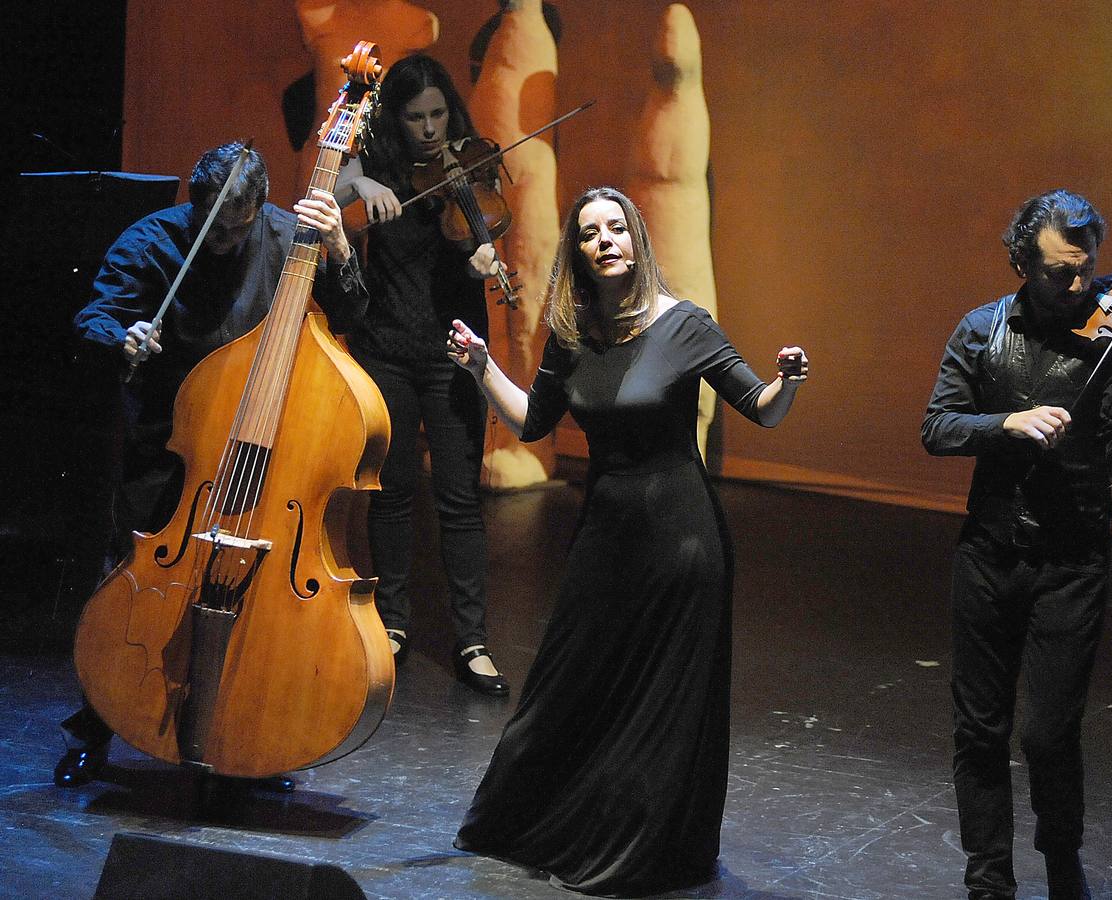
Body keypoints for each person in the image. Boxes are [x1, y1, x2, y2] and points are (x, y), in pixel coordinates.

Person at [447, 186, 808, 895]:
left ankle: (646, 845)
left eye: (617, 227)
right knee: (568, 687)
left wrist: (787, 382)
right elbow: (533, 422)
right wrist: (482, 366)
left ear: (637, 239)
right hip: (605, 537)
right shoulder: (573, 335)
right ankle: (544, 820)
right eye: (590, 232)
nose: (606, 239)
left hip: (682, 543)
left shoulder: (686, 325)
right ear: (577, 252)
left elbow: (759, 409)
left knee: (662, 704)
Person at [921, 189, 1112, 900]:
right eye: (1060, 272)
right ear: (1023, 261)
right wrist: (1006, 425)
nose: (1080, 288)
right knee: (980, 730)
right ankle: (988, 879)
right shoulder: (982, 328)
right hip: (989, 552)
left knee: (1049, 734)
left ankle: (1062, 860)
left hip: (1073, 558)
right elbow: (937, 427)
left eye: (1085, 270)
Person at [57, 141, 365, 788]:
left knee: (252, 595)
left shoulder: (288, 238)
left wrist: (338, 249)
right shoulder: (153, 241)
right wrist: (125, 337)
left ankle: (246, 736)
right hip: (172, 442)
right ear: (193, 205)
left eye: (237, 225)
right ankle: (100, 724)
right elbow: (95, 317)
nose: (223, 238)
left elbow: (355, 312)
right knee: (134, 587)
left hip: (259, 454)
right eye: (211, 225)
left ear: (259, 208)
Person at [333, 53, 508, 694]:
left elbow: (472, 245)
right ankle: (394, 623)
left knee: (460, 499)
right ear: (395, 118)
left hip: (453, 352)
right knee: (395, 490)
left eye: (438, 114)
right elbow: (326, 189)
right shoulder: (374, 161)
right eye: (415, 118)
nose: (431, 130)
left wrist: (481, 261)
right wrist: (363, 187)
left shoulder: (471, 160)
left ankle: (472, 640)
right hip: (386, 348)